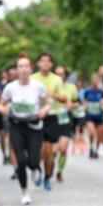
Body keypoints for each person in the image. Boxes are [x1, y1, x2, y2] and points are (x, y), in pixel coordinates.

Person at [0, 54, 49, 205]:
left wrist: (43, 111)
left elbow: (47, 103)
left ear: (31, 69)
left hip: (34, 126)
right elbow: (0, 105)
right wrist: (4, 110)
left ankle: (35, 168)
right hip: (17, 125)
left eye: (26, 66)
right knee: (20, 160)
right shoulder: (10, 87)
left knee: (33, 161)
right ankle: (25, 192)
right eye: (20, 66)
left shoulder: (38, 86)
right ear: (16, 70)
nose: (24, 69)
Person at [30, 52, 66, 191]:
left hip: (52, 116)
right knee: (38, 150)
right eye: (42, 61)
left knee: (49, 151)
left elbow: (64, 98)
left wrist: (53, 95)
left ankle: (47, 176)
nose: (45, 63)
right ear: (38, 63)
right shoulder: (32, 78)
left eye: (48, 61)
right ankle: (36, 168)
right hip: (36, 116)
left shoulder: (57, 79)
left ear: (51, 64)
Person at [53, 65, 79, 182]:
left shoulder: (71, 87)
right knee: (52, 151)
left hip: (65, 120)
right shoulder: (50, 86)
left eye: (62, 74)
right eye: (57, 74)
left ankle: (59, 171)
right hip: (52, 120)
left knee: (63, 148)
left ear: (65, 75)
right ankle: (49, 168)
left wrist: (71, 105)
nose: (59, 76)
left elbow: (77, 103)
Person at [82, 73, 103, 159]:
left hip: (99, 115)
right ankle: (91, 147)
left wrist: (102, 103)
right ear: (91, 81)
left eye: (97, 79)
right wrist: (85, 106)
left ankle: (96, 150)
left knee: (99, 135)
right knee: (93, 133)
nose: (95, 81)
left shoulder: (101, 91)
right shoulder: (87, 91)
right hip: (90, 115)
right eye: (93, 79)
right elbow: (84, 101)